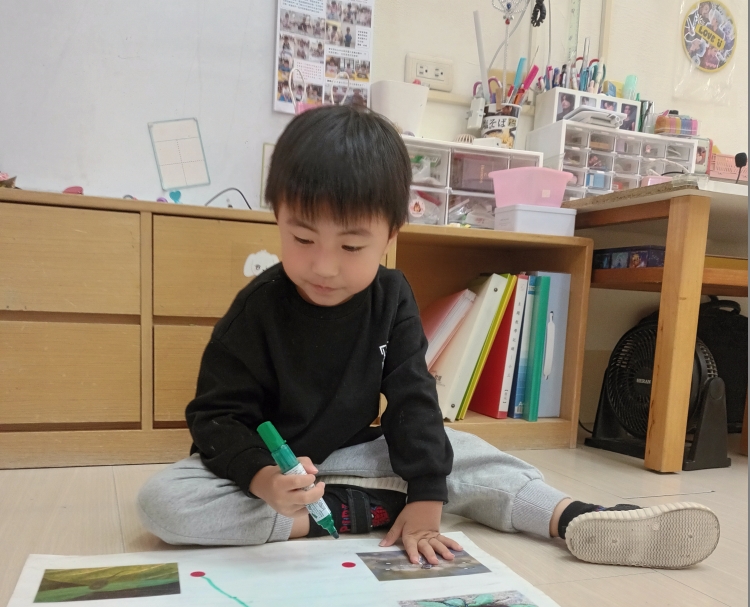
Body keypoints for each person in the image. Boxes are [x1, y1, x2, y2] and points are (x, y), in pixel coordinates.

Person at [137, 106, 720, 570]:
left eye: (351, 246)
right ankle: (357, 510)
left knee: (463, 452)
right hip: (276, 468)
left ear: (391, 234)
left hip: (357, 454)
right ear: (278, 219)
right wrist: (265, 479)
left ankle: (575, 518)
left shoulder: (391, 296)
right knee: (165, 502)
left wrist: (426, 493)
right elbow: (217, 418)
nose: (324, 266)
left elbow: (412, 397)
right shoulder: (257, 309)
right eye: (302, 239)